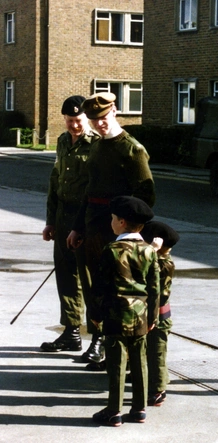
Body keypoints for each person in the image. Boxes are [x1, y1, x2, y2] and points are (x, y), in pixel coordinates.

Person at [66, 92, 156, 366]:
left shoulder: (133, 149)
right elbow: (88, 190)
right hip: (93, 227)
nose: (99, 124)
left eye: (103, 118)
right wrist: (77, 227)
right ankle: (98, 338)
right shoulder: (95, 146)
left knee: (116, 290)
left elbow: (146, 197)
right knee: (94, 286)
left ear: (114, 112)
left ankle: (115, 347)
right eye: (93, 120)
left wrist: (129, 232)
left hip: (118, 231)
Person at [90, 195, 160, 427]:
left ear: (121, 222)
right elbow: (154, 288)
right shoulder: (150, 251)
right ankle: (139, 409)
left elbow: (100, 286)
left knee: (116, 362)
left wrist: (96, 314)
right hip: (140, 315)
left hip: (115, 315)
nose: (110, 221)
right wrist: (153, 317)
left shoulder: (112, 249)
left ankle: (113, 410)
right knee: (140, 361)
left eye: (112, 218)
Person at [40, 95, 100, 355]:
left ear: (86, 119)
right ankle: (71, 332)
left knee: (89, 279)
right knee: (65, 276)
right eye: (69, 120)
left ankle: (98, 336)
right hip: (64, 215)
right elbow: (55, 182)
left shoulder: (97, 144)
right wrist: (50, 221)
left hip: (85, 217)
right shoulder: (63, 141)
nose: (74, 125)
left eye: (78, 120)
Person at [141, 220, 180, 406]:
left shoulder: (163, 265)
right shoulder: (159, 260)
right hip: (152, 315)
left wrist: (150, 251)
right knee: (149, 351)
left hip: (158, 317)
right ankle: (150, 380)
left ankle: (158, 389)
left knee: (157, 354)